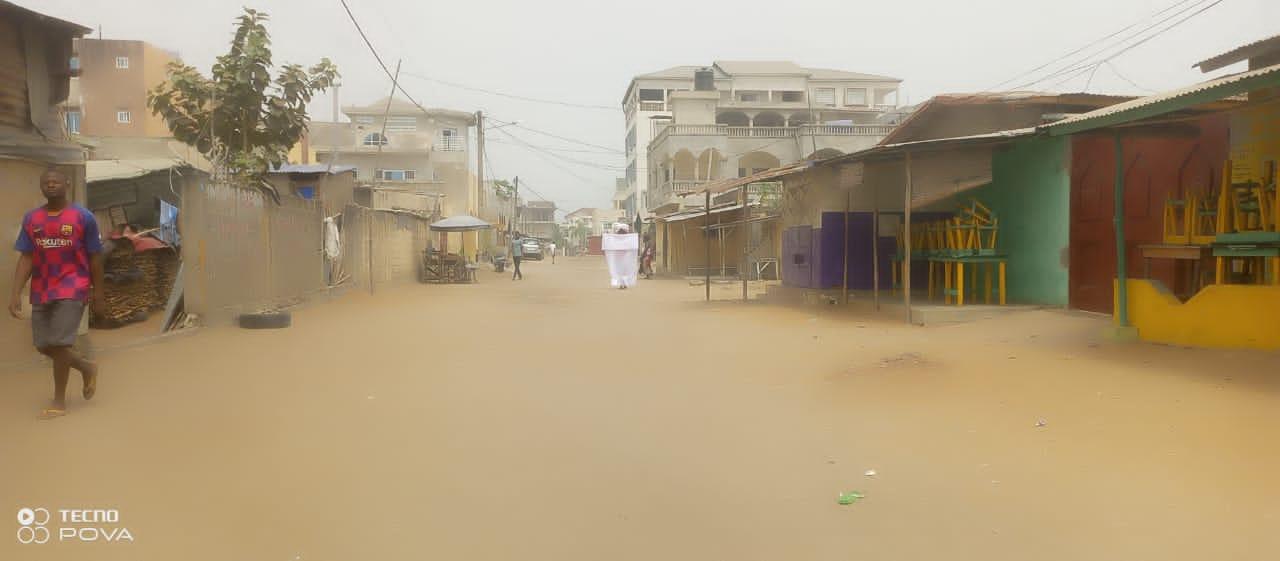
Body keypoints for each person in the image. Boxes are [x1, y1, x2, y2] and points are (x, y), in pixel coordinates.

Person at [8, 169, 105, 420]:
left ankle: (59, 401)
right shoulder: (32, 219)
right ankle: (86, 367)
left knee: (60, 344)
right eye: (46, 182)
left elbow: (95, 257)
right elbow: (26, 257)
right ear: (41, 187)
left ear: (67, 184)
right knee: (43, 345)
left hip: (74, 286)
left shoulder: (83, 217)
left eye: (56, 181)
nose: (51, 185)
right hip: (42, 288)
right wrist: (16, 292)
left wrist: (99, 293)